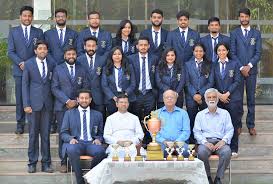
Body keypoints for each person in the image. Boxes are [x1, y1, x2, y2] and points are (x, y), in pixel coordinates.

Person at [51, 46, 89, 172]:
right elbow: (54, 88)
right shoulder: (58, 68)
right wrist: (67, 101)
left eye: (73, 54)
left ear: (76, 55)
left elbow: (85, 86)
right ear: (64, 56)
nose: (71, 56)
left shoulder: (81, 68)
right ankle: (63, 162)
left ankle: (75, 161)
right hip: (62, 107)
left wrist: (77, 101)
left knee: (77, 132)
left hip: (79, 107)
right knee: (64, 134)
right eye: (69, 54)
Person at [8, 5, 44, 134]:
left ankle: (35, 123)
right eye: (25, 16)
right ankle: (20, 124)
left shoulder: (38, 32)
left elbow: (40, 51)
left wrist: (29, 64)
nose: (27, 18)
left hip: (34, 71)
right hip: (19, 71)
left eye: (29, 16)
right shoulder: (13, 32)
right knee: (20, 98)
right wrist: (20, 63)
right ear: (20, 17)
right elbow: (10, 52)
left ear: (32, 17)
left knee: (35, 97)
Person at [22, 40, 55, 173]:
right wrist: (26, 104)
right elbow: (24, 85)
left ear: (47, 51)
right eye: (40, 48)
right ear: (35, 51)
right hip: (33, 105)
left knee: (46, 135)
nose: (42, 51)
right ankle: (32, 162)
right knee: (33, 135)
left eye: (44, 49)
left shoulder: (52, 63)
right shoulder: (29, 64)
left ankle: (46, 163)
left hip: (47, 105)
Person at [61, 89, 106, 184]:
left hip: (91, 143)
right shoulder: (69, 114)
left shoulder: (98, 115)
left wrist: (98, 139)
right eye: (82, 98)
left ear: (90, 100)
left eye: (86, 98)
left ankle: (91, 177)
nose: (84, 100)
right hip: (77, 142)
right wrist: (70, 139)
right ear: (77, 99)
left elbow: (101, 133)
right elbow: (63, 133)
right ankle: (80, 181)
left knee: (100, 151)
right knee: (71, 149)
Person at [44, 8, 78, 134]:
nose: (60, 18)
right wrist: (57, 65)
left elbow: (76, 51)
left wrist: (66, 63)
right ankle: (53, 123)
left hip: (69, 67)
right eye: (58, 16)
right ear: (54, 19)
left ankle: (68, 124)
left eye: (63, 16)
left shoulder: (73, 34)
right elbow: (47, 51)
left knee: (67, 91)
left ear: (66, 18)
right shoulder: (48, 34)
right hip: (52, 68)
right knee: (52, 94)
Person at [230, 8, 262, 136]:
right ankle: (238, 125)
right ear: (239, 18)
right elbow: (232, 52)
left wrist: (248, 66)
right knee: (237, 99)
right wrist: (241, 68)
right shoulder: (234, 33)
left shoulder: (256, 33)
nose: (244, 19)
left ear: (249, 17)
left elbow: (258, 53)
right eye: (241, 16)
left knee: (251, 99)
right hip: (238, 72)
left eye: (246, 16)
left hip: (251, 71)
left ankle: (251, 125)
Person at [193, 88, 234, 184]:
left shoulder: (225, 114)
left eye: (214, 97)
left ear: (218, 99)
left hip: (220, 141)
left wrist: (223, 141)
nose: (212, 99)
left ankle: (218, 179)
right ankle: (207, 178)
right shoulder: (200, 115)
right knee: (201, 151)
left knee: (227, 151)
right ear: (206, 99)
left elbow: (230, 130)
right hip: (206, 142)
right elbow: (196, 132)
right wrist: (205, 142)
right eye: (209, 97)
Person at [212, 43, 242, 157]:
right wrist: (219, 95)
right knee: (220, 124)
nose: (221, 52)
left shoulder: (234, 64)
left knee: (233, 124)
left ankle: (234, 148)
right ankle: (221, 148)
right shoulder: (213, 65)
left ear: (227, 51)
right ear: (216, 52)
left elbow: (237, 81)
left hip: (232, 98)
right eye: (219, 50)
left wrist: (227, 93)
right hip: (219, 99)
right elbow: (211, 82)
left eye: (223, 50)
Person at [128, 36, 158, 147]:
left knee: (150, 119)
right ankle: (137, 141)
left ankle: (149, 141)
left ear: (149, 46)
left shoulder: (154, 58)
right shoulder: (131, 58)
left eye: (145, 45)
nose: (143, 47)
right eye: (141, 45)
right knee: (136, 117)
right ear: (137, 46)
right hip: (136, 93)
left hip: (150, 92)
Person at [185, 43, 214, 143]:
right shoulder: (187, 64)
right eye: (196, 51)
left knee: (205, 120)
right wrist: (194, 94)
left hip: (204, 97)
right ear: (193, 52)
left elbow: (211, 82)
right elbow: (187, 82)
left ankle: (204, 141)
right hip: (191, 97)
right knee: (191, 120)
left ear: (204, 52)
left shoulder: (209, 64)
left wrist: (200, 94)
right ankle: (192, 143)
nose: (198, 53)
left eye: (200, 51)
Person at [77, 36, 107, 120]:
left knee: (100, 122)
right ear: (84, 47)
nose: (91, 48)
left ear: (96, 47)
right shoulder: (79, 60)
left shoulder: (102, 59)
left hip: (99, 97)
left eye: (93, 46)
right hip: (83, 98)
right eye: (88, 46)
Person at [101, 47, 136, 115]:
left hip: (127, 97)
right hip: (112, 99)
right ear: (111, 56)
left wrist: (125, 96)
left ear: (122, 55)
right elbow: (104, 85)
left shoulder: (129, 67)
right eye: (114, 54)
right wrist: (114, 97)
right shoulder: (106, 68)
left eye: (119, 54)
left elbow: (133, 83)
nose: (117, 56)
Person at [156, 90, 191, 157]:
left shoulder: (183, 113)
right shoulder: (157, 113)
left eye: (172, 97)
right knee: (158, 153)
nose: (169, 99)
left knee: (187, 151)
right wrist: (164, 141)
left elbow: (186, 131)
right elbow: (154, 133)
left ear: (176, 99)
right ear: (163, 99)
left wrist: (176, 142)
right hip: (163, 143)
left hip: (180, 143)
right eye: (167, 97)